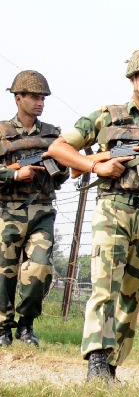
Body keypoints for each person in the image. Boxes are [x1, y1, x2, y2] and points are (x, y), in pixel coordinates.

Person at [47, 48, 139, 382]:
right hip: (113, 208)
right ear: (132, 79)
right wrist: (95, 164)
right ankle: (96, 362)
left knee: (133, 294)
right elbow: (58, 148)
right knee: (105, 286)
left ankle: (112, 364)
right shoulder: (106, 116)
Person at [0, 70, 69, 347]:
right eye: (34, 97)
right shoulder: (2, 132)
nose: (40, 102)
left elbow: (63, 176)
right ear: (18, 99)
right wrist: (15, 175)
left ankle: (26, 324)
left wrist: (60, 168)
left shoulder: (53, 135)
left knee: (39, 269)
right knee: (5, 270)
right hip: (8, 210)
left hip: (41, 211)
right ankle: (3, 327)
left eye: (43, 98)